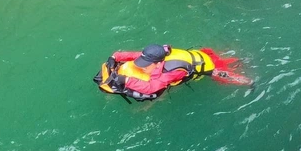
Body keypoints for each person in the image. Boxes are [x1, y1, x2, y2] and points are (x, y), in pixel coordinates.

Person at [94, 45, 253, 101]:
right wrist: (115, 57)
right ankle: (237, 60)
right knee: (227, 60)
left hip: (205, 67)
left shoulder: (170, 71)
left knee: (227, 77)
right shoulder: (157, 54)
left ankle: (251, 83)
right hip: (197, 55)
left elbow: (151, 88)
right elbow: (135, 55)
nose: (142, 67)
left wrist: (125, 79)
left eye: (145, 65)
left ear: (157, 63)